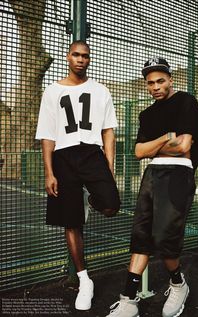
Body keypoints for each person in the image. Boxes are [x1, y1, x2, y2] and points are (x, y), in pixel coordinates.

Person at [106, 57, 198, 317]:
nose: (156, 87)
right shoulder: (147, 114)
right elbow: (138, 151)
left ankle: (178, 284)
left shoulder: (186, 102)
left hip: (179, 174)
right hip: (152, 174)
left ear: (170, 79)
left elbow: (184, 147)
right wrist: (165, 138)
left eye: (160, 80)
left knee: (164, 238)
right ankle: (128, 300)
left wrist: (154, 146)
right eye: (150, 83)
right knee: (141, 236)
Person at [35, 40, 120, 311]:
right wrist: (49, 172)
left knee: (110, 204)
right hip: (63, 156)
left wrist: (110, 164)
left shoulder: (101, 90)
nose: (80, 59)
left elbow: (108, 130)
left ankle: (90, 199)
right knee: (71, 222)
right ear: (67, 56)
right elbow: (47, 135)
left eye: (85, 55)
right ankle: (85, 280)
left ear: (89, 59)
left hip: (92, 154)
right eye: (76, 54)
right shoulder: (52, 91)